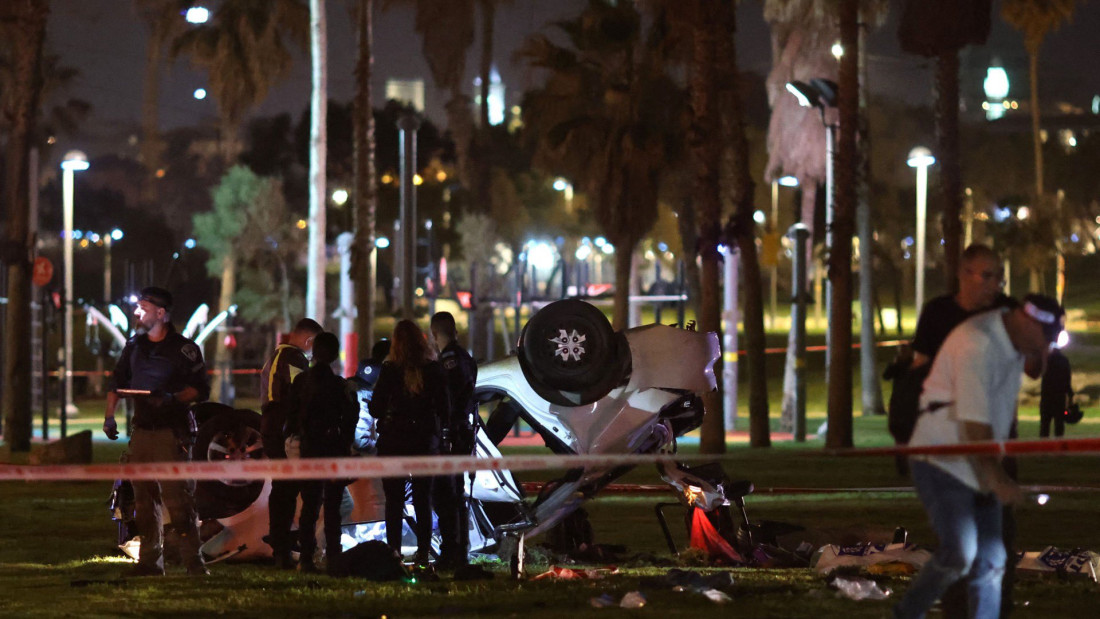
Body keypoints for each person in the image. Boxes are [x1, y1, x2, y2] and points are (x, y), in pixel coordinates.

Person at [894, 294, 1065, 619]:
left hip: (977, 461)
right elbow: (973, 428)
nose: (1047, 345)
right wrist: (998, 480)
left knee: (992, 559)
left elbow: (1034, 371)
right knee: (960, 553)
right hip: (942, 458)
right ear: (1027, 321)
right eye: (1046, 338)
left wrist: (1042, 352)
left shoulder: (1014, 338)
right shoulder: (978, 343)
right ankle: (907, 613)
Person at [102, 286, 211, 577]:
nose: (136, 313)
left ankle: (194, 563)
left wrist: (172, 399)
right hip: (142, 432)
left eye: (143, 308)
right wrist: (109, 416)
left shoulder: (184, 350)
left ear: (160, 313)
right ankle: (150, 562)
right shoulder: (134, 346)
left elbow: (200, 390)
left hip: (170, 434)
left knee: (178, 500)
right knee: (143, 500)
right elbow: (117, 382)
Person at [888, 244, 1005, 460]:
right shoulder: (937, 312)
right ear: (964, 274)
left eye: (999, 277)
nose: (994, 285)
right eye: (987, 276)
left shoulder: (1005, 313)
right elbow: (921, 366)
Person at [368, 319, 449, 565]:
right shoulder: (434, 370)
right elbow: (445, 408)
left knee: (394, 501)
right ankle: (423, 552)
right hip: (424, 442)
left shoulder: (390, 370)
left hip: (394, 441)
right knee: (423, 500)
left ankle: (394, 552)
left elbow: (376, 408)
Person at [285, 332, 360, 575]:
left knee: (310, 505)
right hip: (333, 448)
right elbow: (351, 417)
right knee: (333, 506)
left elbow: (291, 416)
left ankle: (306, 557)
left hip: (309, 448)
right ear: (335, 355)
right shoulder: (340, 385)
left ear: (314, 353)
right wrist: (346, 443)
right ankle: (334, 557)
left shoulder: (301, 382)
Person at [259, 317, 323, 569]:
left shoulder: (277, 357)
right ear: (309, 341)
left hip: (273, 428)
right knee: (288, 492)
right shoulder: (293, 359)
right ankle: (284, 549)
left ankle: (281, 547)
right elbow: (303, 393)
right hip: (283, 430)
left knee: (282, 490)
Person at [429, 311, 478, 569]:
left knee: (445, 495)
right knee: (456, 493)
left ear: (433, 334)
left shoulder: (448, 361)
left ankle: (452, 551)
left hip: (450, 435)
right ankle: (459, 550)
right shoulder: (465, 358)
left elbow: (448, 399)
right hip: (462, 433)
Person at [1039, 347, 1073, 438]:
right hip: (1059, 398)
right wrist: (1070, 398)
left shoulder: (1046, 360)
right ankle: (1059, 445)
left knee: (1044, 426)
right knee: (1059, 426)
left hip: (1046, 397)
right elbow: (1067, 380)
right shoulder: (1064, 360)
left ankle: (1043, 445)